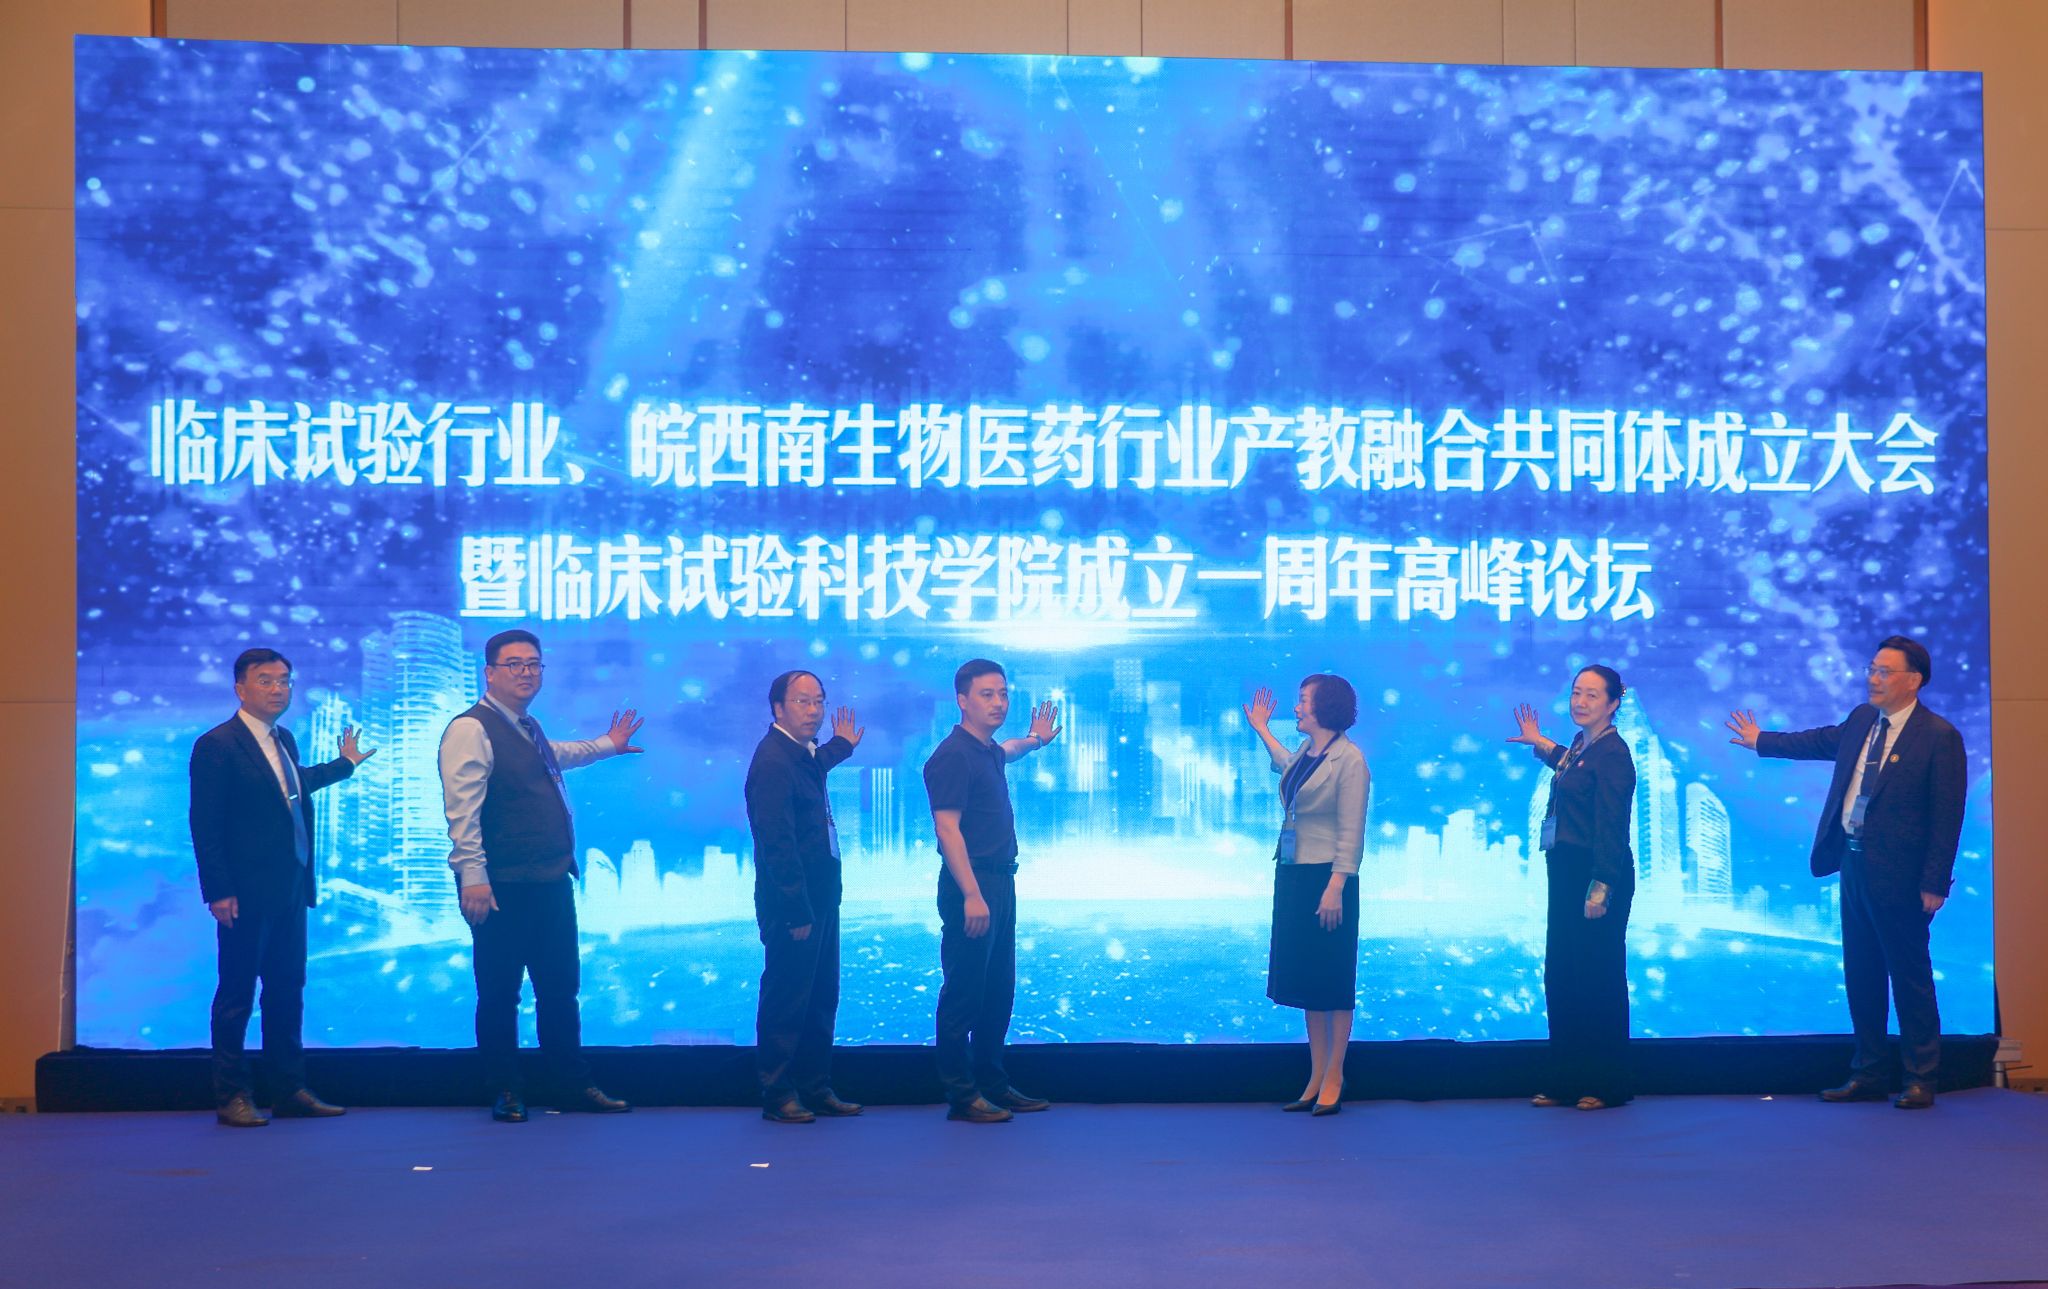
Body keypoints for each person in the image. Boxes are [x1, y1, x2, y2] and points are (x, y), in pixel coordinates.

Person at [1726, 635, 1966, 1110]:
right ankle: (1870, 1072)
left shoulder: (1938, 736)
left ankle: (1921, 1078)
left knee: (1910, 978)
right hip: (1853, 863)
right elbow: (1818, 741)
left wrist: (1935, 882)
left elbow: (1947, 816)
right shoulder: (1861, 720)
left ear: (1913, 680)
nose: (1873, 679)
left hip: (1903, 877)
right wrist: (1762, 741)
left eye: (1884, 671)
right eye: (1871, 669)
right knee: (1862, 974)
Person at [438, 628, 644, 1123]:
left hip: (550, 881)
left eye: (533, 664)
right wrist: (473, 875)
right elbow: (462, 809)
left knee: (559, 989)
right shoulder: (471, 728)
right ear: (489, 673)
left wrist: (608, 745)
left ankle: (569, 1084)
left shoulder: (526, 728)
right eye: (514, 664)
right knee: (500, 993)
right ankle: (505, 1089)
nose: (526, 672)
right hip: (501, 886)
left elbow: (559, 755)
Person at [189, 647, 376, 1127]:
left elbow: (291, 787)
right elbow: (205, 824)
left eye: (284, 680)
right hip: (244, 893)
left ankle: (289, 1089)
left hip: (290, 886)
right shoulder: (217, 745)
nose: (278, 689)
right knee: (236, 995)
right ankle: (232, 1095)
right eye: (266, 680)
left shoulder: (284, 739)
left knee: (287, 991)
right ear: (241, 688)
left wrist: (345, 765)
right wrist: (218, 890)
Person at [923, 659, 1060, 1123]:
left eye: (1002, 693)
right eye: (987, 694)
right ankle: (962, 1095)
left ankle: (992, 1084)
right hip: (973, 884)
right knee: (964, 992)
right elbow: (947, 829)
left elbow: (1010, 750)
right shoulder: (952, 755)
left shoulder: (985, 750)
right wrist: (971, 894)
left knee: (997, 991)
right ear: (962, 700)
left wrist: (1037, 739)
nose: (998, 702)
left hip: (1000, 882)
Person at [1507, 665, 1637, 1111]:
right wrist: (1540, 742)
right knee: (1563, 974)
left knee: (1597, 977)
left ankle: (1604, 1083)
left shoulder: (1614, 753)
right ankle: (1566, 1079)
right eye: (1577, 693)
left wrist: (1602, 885)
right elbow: (1569, 764)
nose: (1580, 702)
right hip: (1564, 872)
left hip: (1596, 873)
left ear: (1613, 703)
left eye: (1592, 695)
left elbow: (1613, 825)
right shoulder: (1584, 746)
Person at [1244, 675, 1370, 1116]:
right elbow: (1287, 767)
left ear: (1324, 706)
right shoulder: (1307, 752)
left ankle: (1335, 1074)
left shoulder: (1350, 760)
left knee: (1332, 979)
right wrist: (1262, 729)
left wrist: (1336, 887)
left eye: (1302, 701)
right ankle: (1316, 1074)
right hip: (1294, 874)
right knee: (1308, 980)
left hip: (1329, 880)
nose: (1296, 708)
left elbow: (1352, 832)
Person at [745, 670, 865, 1123]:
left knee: (819, 996)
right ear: (778, 708)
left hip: (821, 896)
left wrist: (843, 745)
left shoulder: (801, 753)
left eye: (819, 701)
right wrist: (796, 909)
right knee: (788, 998)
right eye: (802, 702)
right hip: (794, 904)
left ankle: (814, 1086)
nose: (814, 711)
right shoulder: (773, 762)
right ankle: (778, 1093)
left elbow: (815, 765)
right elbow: (776, 844)